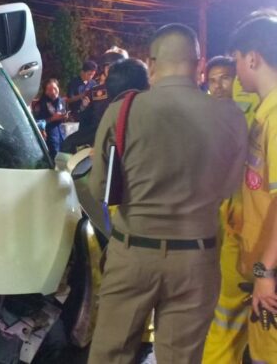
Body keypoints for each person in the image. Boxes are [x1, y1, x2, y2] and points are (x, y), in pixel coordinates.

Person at [87, 23, 247, 363]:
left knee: (110, 354)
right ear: (200, 65)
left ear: (152, 63)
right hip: (196, 257)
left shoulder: (123, 111)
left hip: (133, 252)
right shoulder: (231, 117)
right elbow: (229, 188)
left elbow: (100, 188)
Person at [202, 56, 261, 364]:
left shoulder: (256, 111)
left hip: (250, 228)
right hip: (226, 224)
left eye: (225, 77)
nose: (219, 86)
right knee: (227, 307)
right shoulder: (203, 116)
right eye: (212, 80)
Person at [226, 14, 277, 362]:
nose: (236, 71)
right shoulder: (263, 115)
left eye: (236, 61)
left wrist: (265, 273)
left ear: (253, 58)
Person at [60, 58, 149, 154]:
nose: (111, 68)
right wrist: (84, 107)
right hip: (98, 129)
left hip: (127, 130)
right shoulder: (95, 90)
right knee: (69, 143)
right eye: (108, 66)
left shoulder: (139, 90)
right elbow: (85, 116)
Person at [31, 78, 67, 159]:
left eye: (55, 88)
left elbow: (62, 115)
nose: (53, 92)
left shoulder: (61, 101)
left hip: (61, 134)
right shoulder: (40, 104)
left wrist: (64, 117)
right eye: (50, 90)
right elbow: (36, 123)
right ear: (45, 91)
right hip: (49, 137)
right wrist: (51, 119)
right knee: (54, 157)